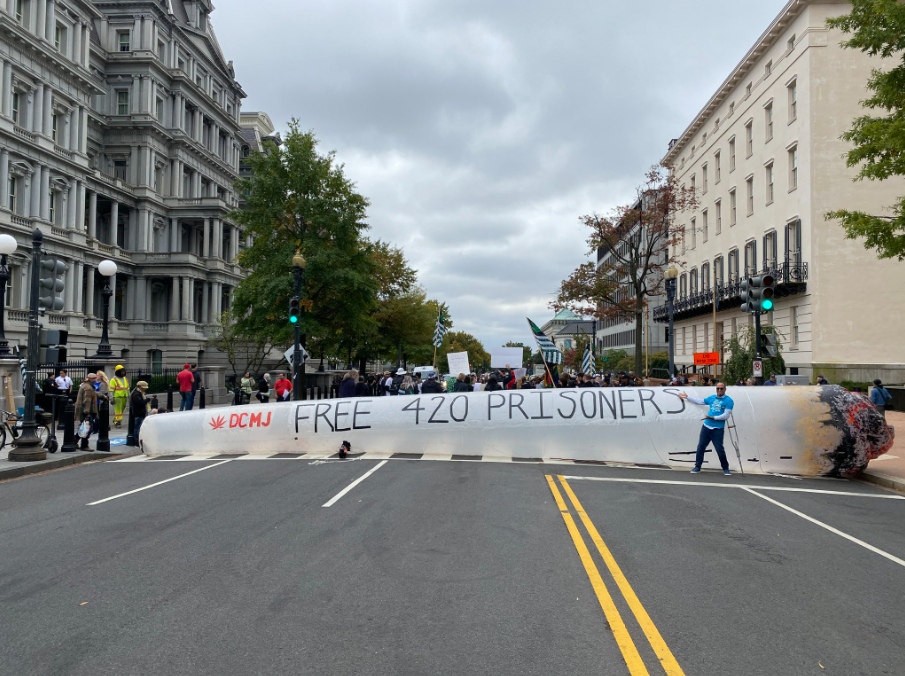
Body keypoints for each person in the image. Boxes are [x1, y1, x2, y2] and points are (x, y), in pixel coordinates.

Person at [675, 383, 735, 475]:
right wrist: (687, 397)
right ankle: (697, 466)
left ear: (725, 389)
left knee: (719, 449)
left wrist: (713, 418)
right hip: (706, 427)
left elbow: (726, 415)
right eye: (718, 388)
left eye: (721, 389)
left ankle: (725, 468)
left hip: (717, 429)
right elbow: (700, 401)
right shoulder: (712, 398)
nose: (719, 390)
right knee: (700, 447)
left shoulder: (729, 401)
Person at [74, 374, 99, 451]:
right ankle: (84, 445)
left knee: (84, 428)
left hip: (83, 411)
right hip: (85, 411)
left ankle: (74, 441)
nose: (95, 381)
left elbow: (94, 394)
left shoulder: (87, 386)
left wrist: (103, 396)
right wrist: (87, 413)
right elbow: (87, 401)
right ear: (91, 379)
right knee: (88, 428)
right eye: (94, 379)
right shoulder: (88, 387)